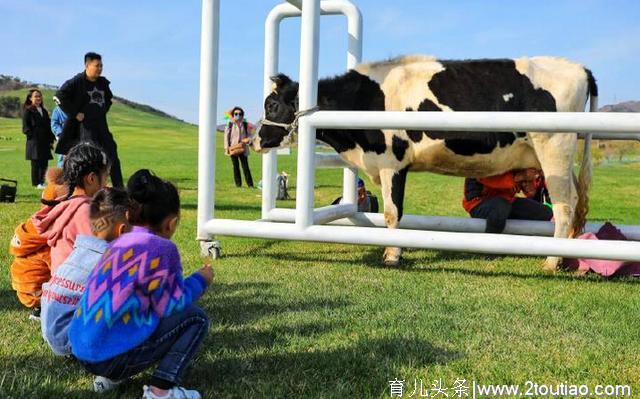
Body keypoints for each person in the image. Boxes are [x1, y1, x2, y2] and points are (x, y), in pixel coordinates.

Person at [69, 169, 213, 399]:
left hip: (83, 352)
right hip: (110, 359)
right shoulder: (162, 249)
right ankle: (160, 391)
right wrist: (200, 280)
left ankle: (108, 377)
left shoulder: (119, 241)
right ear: (171, 223)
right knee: (196, 318)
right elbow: (171, 305)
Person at [41, 187, 131, 359]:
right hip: (74, 343)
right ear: (123, 228)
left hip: (52, 334)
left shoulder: (80, 250)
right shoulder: (111, 262)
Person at [32, 143, 111, 272]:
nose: (107, 183)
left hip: (60, 286)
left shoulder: (66, 204)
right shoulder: (85, 211)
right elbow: (103, 254)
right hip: (76, 289)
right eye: (106, 176)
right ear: (91, 178)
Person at [55, 52, 123, 188]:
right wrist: (75, 113)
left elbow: (108, 99)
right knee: (90, 159)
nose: (100, 68)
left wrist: (102, 111)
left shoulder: (102, 83)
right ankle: (83, 190)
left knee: (113, 156)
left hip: (102, 127)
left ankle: (119, 191)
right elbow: (59, 96)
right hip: (85, 128)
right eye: (97, 65)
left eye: (101, 66)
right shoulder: (77, 81)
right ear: (87, 65)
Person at [9, 168, 68, 320]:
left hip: (22, 284)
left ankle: (39, 307)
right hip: (34, 289)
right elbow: (56, 265)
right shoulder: (51, 232)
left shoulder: (34, 224)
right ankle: (43, 309)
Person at [462, 168, 553, 234]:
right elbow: (482, 176)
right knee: (501, 206)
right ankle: (489, 245)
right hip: (479, 203)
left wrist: (531, 186)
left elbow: (528, 189)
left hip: (508, 202)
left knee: (546, 212)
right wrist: (518, 177)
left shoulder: (517, 159)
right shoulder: (489, 156)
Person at [22, 88, 56, 188]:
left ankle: (42, 182)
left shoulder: (44, 111)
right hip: (34, 142)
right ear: (30, 98)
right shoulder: (28, 111)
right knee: (36, 163)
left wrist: (51, 139)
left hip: (45, 141)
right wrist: (34, 136)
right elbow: (25, 128)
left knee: (44, 162)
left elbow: (48, 126)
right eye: (36, 96)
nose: (38, 98)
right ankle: (36, 183)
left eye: (39, 96)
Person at [223, 106, 254, 188]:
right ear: (233, 114)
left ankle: (250, 184)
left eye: (240, 114)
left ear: (242, 115)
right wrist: (226, 149)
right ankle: (238, 185)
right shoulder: (229, 124)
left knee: (246, 167)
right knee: (235, 167)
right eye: (236, 113)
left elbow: (250, 135)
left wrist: (248, 139)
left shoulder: (245, 124)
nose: (238, 115)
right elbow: (226, 137)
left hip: (243, 148)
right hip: (233, 149)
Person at [50, 102, 68, 167]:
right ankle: (61, 176)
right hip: (62, 139)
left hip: (75, 139)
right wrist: (60, 134)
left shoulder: (76, 108)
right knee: (62, 161)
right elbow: (54, 124)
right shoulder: (57, 110)